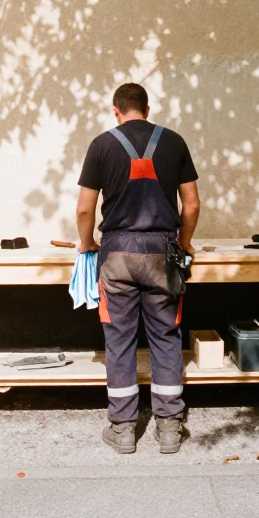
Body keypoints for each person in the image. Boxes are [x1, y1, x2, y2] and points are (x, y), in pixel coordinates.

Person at [76, 83, 201, 454]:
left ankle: (123, 428)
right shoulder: (174, 141)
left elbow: (85, 208)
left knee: (119, 341)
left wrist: (86, 244)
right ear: (147, 108)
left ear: (117, 111)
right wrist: (186, 242)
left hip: (116, 256)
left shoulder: (101, 144)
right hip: (163, 254)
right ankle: (169, 427)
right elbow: (191, 205)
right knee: (166, 337)